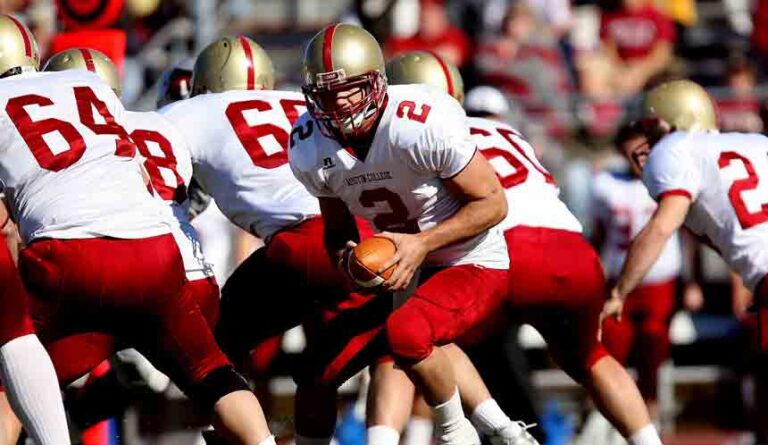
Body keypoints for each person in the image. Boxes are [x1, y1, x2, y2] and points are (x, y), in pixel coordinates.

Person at [0, 15, 275, 445]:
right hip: (158, 254)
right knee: (213, 372)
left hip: (72, 259)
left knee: (10, 365)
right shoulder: (89, 90)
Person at [379, 50, 665, 445]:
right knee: (592, 359)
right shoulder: (505, 131)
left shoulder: (409, 136)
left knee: (426, 336)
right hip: (569, 249)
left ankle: (495, 431)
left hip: (502, 247)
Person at [290, 23, 512, 445]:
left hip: (467, 259)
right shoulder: (309, 145)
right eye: (325, 93)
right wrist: (347, 261)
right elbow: (337, 231)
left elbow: (494, 204)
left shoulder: (421, 121)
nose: (337, 103)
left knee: (407, 334)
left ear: (376, 82)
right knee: (315, 369)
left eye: (350, 89)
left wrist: (422, 244)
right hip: (400, 271)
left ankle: (455, 431)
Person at [592, 121, 702, 424]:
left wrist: (692, 282)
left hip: (659, 282)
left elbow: (686, 235)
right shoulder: (604, 183)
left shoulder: (667, 178)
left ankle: (650, 428)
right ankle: (616, 428)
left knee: (652, 356)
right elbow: (599, 236)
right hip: (617, 282)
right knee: (609, 357)